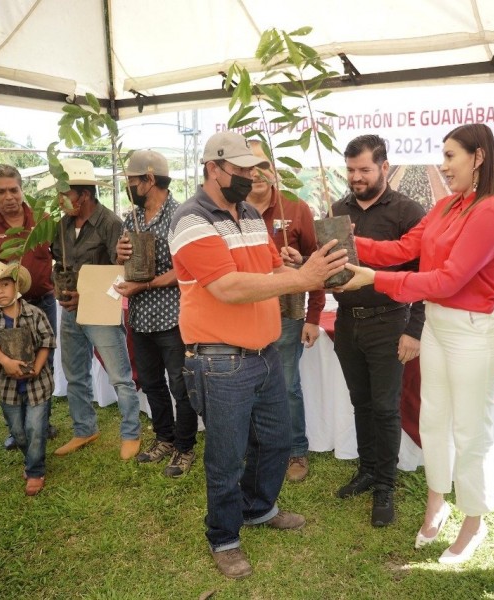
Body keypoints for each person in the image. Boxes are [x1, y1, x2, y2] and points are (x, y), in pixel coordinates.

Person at [169, 131, 347, 579]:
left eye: (254, 169)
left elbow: (267, 268)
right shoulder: (191, 219)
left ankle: (259, 508)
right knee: (227, 456)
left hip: (264, 351)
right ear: (214, 168)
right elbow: (227, 287)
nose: (251, 177)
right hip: (220, 359)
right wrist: (301, 278)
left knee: (275, 441)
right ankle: (224, 537)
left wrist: (291, 266)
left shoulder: (247, 212)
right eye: (242, 170)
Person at [339, 124, 494, 561]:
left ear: (478, 157)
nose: (443, 164)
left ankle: (474, 522)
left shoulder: (491, 212)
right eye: (443, 154)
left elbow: (449, 278)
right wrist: (338, 244)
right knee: (434, 421)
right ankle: (437, 500)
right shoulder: (445, 206)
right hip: (437, 325)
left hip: (473, 331)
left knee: (470, 430)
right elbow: (400, 248)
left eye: (451, 155)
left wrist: (375, 279)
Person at [330, 134, 426, 527]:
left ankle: (385, 484)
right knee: (362, 403)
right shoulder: (338, 209)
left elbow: (423, 276)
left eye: (364, 169)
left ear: (385, 167)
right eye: (350, 170)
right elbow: (333, 263)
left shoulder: (408, 211)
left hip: (390, 323)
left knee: (386, 408)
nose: (356, 177)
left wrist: (414, 330)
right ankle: (368, 470)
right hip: (347, 321)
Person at [46, 158, 141, 460]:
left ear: (83, 195)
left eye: (65, 194)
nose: (61, 201)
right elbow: (60, 264)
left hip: (100, 311)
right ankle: (84, 428)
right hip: (70, 310)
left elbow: (119, 272)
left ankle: (131, 433)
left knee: (120, 375)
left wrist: (85, 296)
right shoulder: (61, 226)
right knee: (75, 373)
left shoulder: (110, 223)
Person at [114, 150, 199, 477]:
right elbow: (126, 264)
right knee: (151, 382)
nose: (129, 187)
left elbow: (186, 268)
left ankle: (184, 446)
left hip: (173, 318)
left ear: (149, 180)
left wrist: (146, 285)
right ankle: (164, 437)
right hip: (139, 317)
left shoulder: (180, 217)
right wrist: (119, 254)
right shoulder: (131, 218)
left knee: (180, 385)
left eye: (132, 181)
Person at [244, 140, 325, 482]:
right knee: (247, 383)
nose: (257, 173)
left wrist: (314, 317)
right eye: (249, 167)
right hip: (244, 311)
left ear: (275, 170)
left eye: (263, 165)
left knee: (287, 383)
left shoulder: (295, 207)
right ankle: (257, 449)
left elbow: (318, 262)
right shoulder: (233, 211)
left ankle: (296, 452)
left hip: (288, 313)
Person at [0, 164, 59, 448]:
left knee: (44, 362)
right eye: (1, 191)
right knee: (10, 365)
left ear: (22, 189)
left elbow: (61, 255)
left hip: (41, 303)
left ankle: (41, 423)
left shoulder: (42, 220)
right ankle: (15, 426)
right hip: (4, 311)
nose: (9, 196)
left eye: (14, 190)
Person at [0, 261, 55, 496]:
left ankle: (35, 471)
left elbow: (47, 341)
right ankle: (31, 458)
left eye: (5, 284)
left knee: (35, 427)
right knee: (18, 431)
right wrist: (6, 362)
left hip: (37, 383)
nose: (0, 291)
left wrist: (36, 366)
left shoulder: (35, 313)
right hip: (7, 385)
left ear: (16, 285)